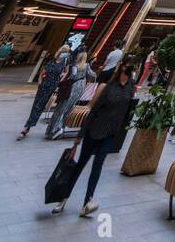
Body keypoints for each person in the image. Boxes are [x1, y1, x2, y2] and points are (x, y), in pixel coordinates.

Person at [52, 61, 136, 217]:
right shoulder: (108, 87)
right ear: (120, 70)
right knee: (80, 165)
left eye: (129, 70)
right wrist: (79, 136)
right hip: (94, 131)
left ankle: (87, 202)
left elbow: (127, 110)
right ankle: (63, 198)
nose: (127, 73)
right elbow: (93, 111)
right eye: (125, 69)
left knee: (97, 166)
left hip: (110, 133)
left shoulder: (131, 87)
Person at [17, 48, 70, 138]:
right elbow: (43, 72)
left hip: (53, 86)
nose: (64, 54)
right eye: (63, 51)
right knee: (36, 105)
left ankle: (27, 127)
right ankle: (28, 126)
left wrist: (59, 82)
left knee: (39, 106)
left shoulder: (65, 63)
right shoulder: (52, 61)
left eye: (66, 52)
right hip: (44, 85)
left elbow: (67, 73)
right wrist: (40, 81)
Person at [46, 50, 96, 138]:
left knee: (61, 107)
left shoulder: (74, 66)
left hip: (71, 86)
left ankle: (52, 129)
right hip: (79, 86)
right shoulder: (86, 66)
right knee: (68, 108)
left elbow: (72, 76)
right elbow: (92, 76)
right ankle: (58, 129)